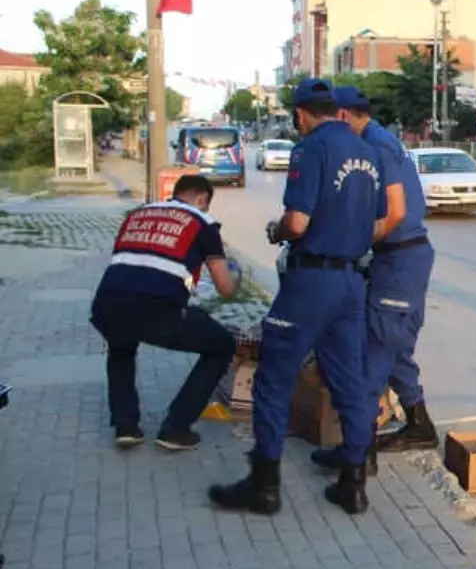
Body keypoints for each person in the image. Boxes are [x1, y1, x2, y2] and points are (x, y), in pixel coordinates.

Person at [208, 78, 386, 517]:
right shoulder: (367, 152)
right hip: (351, 282)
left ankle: (264, 487)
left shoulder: (310, 149)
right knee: (350, 383)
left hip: (312, 282)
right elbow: (380, 220)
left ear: (301, 114)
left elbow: (298, 223)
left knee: (273, 379)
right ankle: (353, 484)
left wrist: (277, 230)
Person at [311, 86, 437, 477]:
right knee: (395, 346)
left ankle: (357, 453)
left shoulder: (375, 147)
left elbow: (394, 213)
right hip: (402, 258)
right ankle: (419, 426)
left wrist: (350, 243)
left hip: (399, 259)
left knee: (374, 351)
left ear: (345, 116)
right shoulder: (379, 141)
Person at [90, 174, 239, 451]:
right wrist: (235, 277)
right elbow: (225, 288)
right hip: (157, 310)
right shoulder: (202, 222)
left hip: (107, 304)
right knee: (222, 345)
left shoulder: (138, 214)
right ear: (202, 199)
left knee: (121, 345)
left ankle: (126, 426)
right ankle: (176, 428)